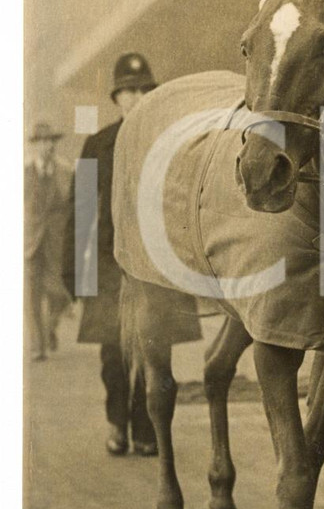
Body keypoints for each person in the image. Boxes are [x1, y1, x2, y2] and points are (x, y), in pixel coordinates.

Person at [63, 52, 201, 456]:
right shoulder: (97, 143)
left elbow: (183, 203)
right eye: (129, 91)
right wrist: (76, 275)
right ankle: (117, 423)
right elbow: (82, 211)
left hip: (158, 265)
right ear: (116, 97)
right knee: (113, 354)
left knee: (158, 352)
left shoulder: (171, 142)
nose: (137, 97)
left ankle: (147, 430)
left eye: (144, 90)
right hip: (110, 266)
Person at [25, 120, 72, 360]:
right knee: (32, 296)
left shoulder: (66, 172)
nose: (47, 146)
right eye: (42, 141)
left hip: (58, 242)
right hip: (30, 244)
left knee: (61, 294)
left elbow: (74, 207)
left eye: (51, 141)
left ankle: (50, 326)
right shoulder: (22, 174)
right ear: (35, 145)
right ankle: (37, 346)